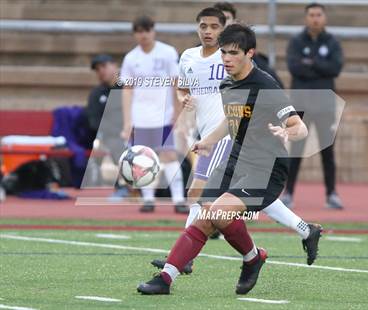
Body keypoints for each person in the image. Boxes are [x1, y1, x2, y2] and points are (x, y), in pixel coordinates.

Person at [137, 23, 322, 295]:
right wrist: (208, 141)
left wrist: (285, 131)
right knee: (205, 213)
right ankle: (167, 278)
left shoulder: (265, 85)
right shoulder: (227, 82)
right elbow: (232, 118)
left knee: (217, 213)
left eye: (233, 53)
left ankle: (252, 257)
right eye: (223, 52)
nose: (226, 58)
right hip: (236, 159)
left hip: (265, 168)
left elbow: (299, 127)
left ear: (250, 53)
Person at [120, 16, 188, 213]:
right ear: (135, 34)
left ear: (153, 31)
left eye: (147, 30)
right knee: (143, 159)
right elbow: (127, 89)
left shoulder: (167, 53)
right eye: (140, 31)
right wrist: (127, 121)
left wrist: (178, 112)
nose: (144, 35)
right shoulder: (131, 58)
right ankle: (148, 200)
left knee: (169, 155)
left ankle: (178, 200)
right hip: (140, 117)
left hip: (164, 115)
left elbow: (177, 83)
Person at [284, 2, 344, 209]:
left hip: (325, 104)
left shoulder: (333, 42)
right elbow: (294, 68)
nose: (315, 18)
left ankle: (331, 194)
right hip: (300, 104)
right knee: (296, 150)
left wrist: (310, 62)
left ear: (324, 18)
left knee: (328, 151)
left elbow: (335, 68)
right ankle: (288, 192)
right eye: (311, 15)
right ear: (306, 17)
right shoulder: (296, 41)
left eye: (319, 15)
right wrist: (320, 66)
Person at [85, 54, 129, 199]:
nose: (101, 71)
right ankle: (123, 186)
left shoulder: (129, 87)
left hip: (135, 131)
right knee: (116, 144)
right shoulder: (96, 94)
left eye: (104, 66)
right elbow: (94, 121)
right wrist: (117, 131)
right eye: (97, 69)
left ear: (115, 66)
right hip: (112, 136)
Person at [214, 1, 284, 88]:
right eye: (220, 19)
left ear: (234, 21)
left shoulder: (248, 53)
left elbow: (274, 86)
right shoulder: (198, 53)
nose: (223, 23)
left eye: (227, 18)